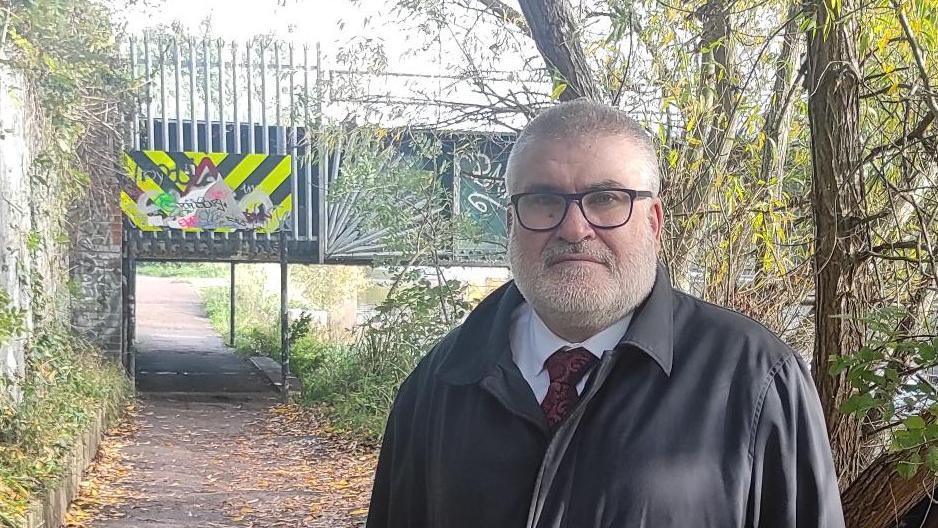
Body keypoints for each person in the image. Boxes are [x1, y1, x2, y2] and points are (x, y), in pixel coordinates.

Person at [365, 99, 845, 528]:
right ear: (511, 224)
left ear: (653, 221)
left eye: (606, 199)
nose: (574, 229)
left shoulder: (757, 380)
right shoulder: (439, 386)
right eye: (544, 200)